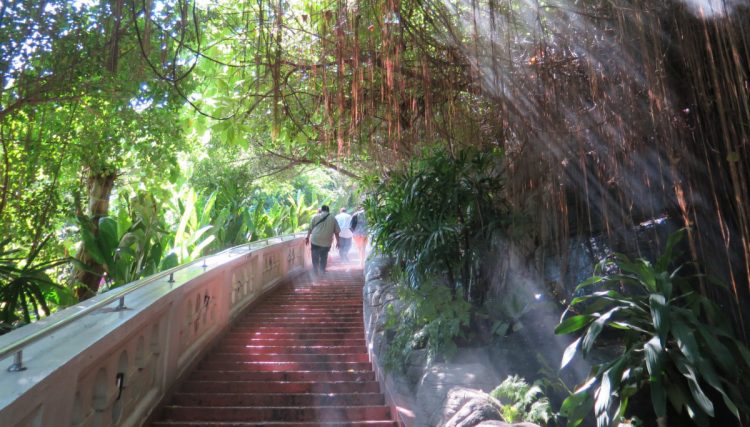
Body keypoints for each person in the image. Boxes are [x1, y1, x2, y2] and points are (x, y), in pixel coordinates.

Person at [305, 205, 340, 274]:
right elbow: (337, 232)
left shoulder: (315, 216)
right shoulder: (333, 218)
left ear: (322, 210)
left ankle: (315, 270)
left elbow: (310, 228)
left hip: (315, 239)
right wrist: (338, 241)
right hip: (327, 241)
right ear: (328, 210)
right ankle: (322, 270)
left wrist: (307, 237)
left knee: (315, 256)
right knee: (324, 256)